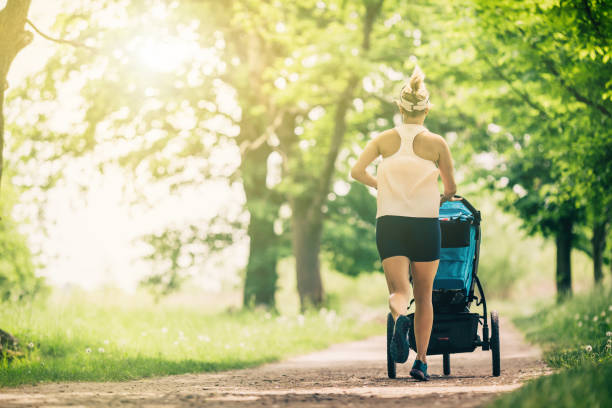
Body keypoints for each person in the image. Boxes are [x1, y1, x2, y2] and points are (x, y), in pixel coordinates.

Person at [350, 66, 458, 381]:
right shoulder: (437, 143)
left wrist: (381, 186)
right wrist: (439, 196)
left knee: (399, 290)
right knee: (424, 295)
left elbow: (357, 171)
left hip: (390, 222)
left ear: (400, 109)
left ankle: (399, 317)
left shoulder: (383, 140)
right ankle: (421, 361)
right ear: (427, 109)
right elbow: (450, 189)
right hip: (425, 224)